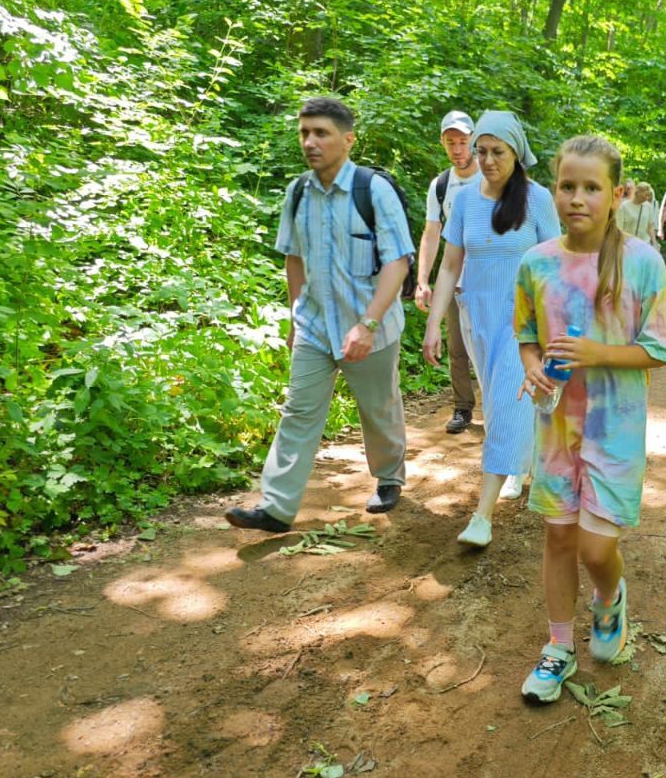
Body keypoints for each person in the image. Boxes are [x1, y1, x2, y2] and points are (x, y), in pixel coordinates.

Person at [514, 134, 666, 703]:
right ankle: (558, 649)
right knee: (559, 538)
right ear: (553, 190)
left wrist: (597, 354)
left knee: (595, 549)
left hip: (615, 429)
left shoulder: (642, 262)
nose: (577, 198)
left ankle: (609, 598)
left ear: (617, 194)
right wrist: (532, 368)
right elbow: (527, 335)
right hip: (557, 428)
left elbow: (659, 348)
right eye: (567, 186)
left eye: (591, 187)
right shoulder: (536, 263)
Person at [226, 97, 414, 532]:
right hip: (314, 326)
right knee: (298, 411)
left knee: (378, 408)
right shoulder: (298, 192)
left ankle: (389, 477)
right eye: (305, 133)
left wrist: (367, 324)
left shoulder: (373, 190)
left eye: (321, 133)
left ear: (348, 140)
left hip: (370, 327)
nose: (310, 142)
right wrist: (296, 316)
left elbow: (397, 263)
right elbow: (294, 257)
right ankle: (276, 508)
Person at [422, 111, 561, 547]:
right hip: (476, 319)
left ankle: (482, 516)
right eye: (480, 151)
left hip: (524, 325)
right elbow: (450, 266)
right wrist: (433, 323)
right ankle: (526, 459)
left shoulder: (538, 200)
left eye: (497, 151)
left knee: (506, 401)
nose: (487, 160)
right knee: (502, 405)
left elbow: (556, 267)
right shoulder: (464, 201)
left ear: (516, 153)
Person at [414, 110, 481, 435]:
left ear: (473, 141)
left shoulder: (491, 177)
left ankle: (503, 405)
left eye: (463, 142)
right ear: (443, 143)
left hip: (490, 276)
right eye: (451, 142)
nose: (457, 149)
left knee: (496, 342)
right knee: (457, 346)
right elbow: (431, 233)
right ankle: (462, 407)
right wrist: (422, 280)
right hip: (455, 278)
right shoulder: (440, 185)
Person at [616, 181, 658, 246]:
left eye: (648, 195)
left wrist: (654, 242)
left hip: (643, 244)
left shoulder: (648, 207)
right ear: (638, 193)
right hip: (627, 244)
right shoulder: (624, 206)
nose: (647, 198)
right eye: (646, 195)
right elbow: (619, 228)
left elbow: (650, 227)